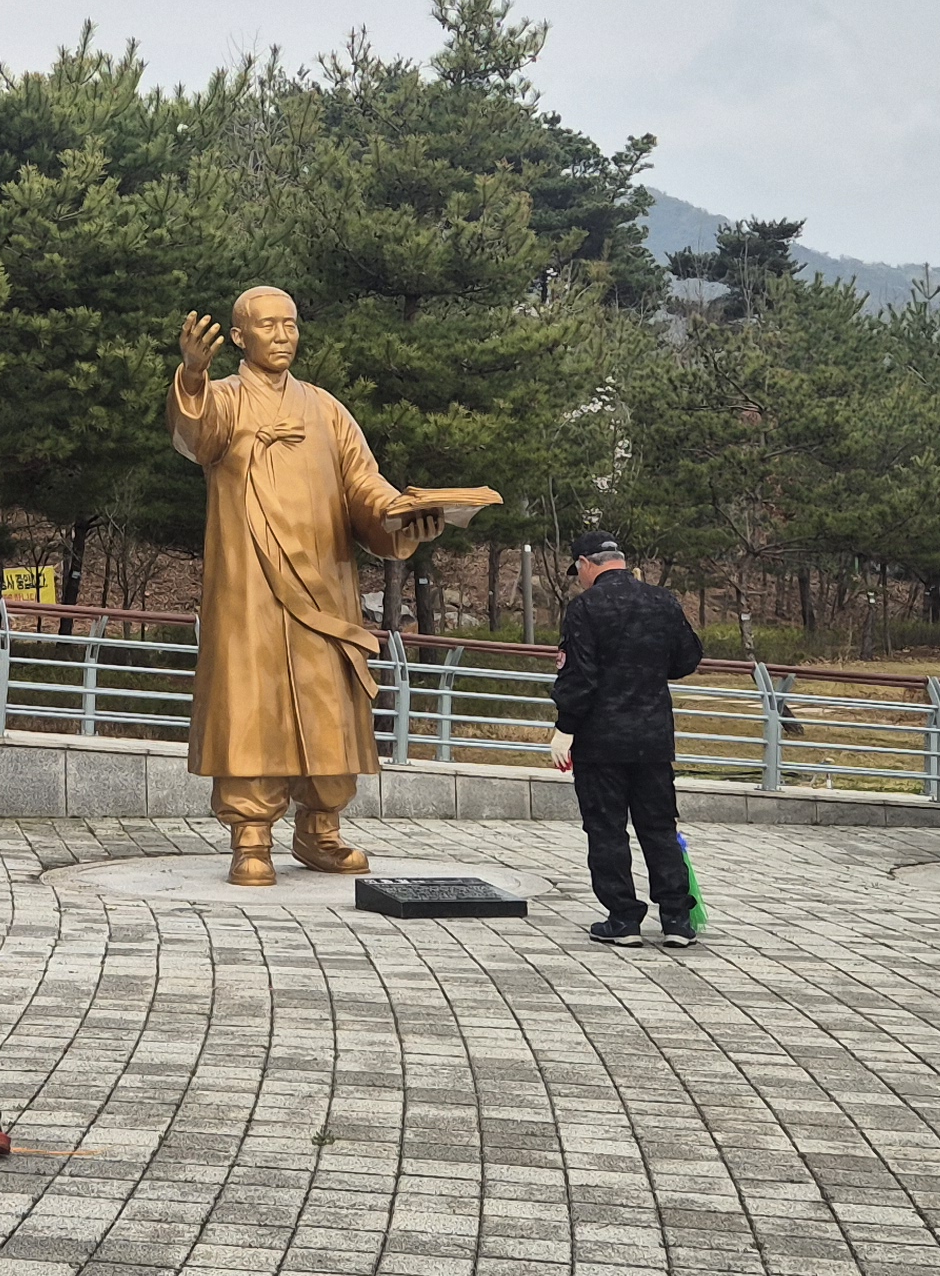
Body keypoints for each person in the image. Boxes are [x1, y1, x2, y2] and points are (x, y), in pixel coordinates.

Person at [168, 287, 488, 885]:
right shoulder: (225, 399)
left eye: (290, 324)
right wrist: (191, 376)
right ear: (239, 336)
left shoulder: (325, 409)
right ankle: (251, 835)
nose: (282, 335)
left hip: (325, 584)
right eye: (268, 325)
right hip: (251, 587)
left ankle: (320, 829)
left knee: (326, 705)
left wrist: (400, 517)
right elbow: (196, 436)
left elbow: (364, 485)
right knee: (252, 702)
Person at [548, 534, 705, 948]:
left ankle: (623, 919)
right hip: (653, 736)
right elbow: (688, 657)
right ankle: (677, 919)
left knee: (607, 829)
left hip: (601, 739)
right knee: (659, 827)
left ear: (586, 563)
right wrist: (648, 666)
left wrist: (565, 727)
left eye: (578, 571)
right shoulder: (662, 601)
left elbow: (579, 676)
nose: (579, 579)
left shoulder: (585, 608)